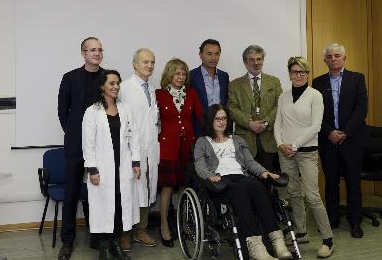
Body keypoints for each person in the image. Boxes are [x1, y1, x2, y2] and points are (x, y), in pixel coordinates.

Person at [194, 104, 292, 260]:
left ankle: (277, 242)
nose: (221, 122)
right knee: (242, 188)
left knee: (256, 185)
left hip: (240, 178)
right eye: (217, 119)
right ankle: (256, 248)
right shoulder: (202, 142)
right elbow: (199, 166)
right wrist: (209, 176)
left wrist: (264, 172)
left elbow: (250, 162)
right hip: (220, 182)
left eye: (224, 118)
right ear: (210, 121)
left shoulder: (237, 140)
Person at [274, 57, 334, 258]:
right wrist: (280, 144)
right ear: (289, 74)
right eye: (294, 72)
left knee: (312, 196)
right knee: (293, 194)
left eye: (302, 72)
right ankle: (300, 232)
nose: (298, 75)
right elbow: (277, 123)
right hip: (286, 153)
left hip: (306, 151)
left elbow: (316, 126)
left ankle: (328, 240)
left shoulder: (315, 95)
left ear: (307, 74)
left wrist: (294, 145)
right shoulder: (284, 96)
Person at [82, 70, 141, 260]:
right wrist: (92, 169)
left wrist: (136, 161)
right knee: (103, 209)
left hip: (122, 167)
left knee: (119, 206)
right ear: (102, 87)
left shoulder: (125, 109)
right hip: (102, 169)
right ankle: (104, 249)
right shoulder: (92, 112)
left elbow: (134, 136)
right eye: (111, 84)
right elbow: (88, 144)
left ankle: (115, 245)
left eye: (118, 83)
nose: (116, 87)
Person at [312, 43, 369, 238]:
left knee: (353, 182)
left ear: (344, 58)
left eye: (337, 56)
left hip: (352, 140)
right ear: (325, 60)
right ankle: (332, 219)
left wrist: (345, 132)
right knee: (331, 182)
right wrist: (329, 132)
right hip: (328, 141)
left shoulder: (357, 79)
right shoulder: (318, 83)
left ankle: (355, 221)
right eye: (330, 56)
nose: (334, 59)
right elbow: (316, 113)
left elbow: (361, 108)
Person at [57, 37, 104, 260]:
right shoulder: (70, 78)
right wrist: (76, 133)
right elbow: (62, 112)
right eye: (92, 50)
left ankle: (97, 235)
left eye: (99, 50)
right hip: (75, 144)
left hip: (100, 145)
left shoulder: (107, 78)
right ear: (83, 53)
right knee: (72, 192)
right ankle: (67, 241)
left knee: (97, 191)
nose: (96, 53)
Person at [156, 58, 203, 247]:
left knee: (184, 187)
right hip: (167, 149)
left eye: (184, 74)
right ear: (169, 74)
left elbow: (202, 117)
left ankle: (183, 223)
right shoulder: (159, 94)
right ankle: (164, 226)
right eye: (177, 73)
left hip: (187, 149)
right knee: (167, 188)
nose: (181, 77)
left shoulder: (191, 94)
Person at [118, 48, 159, 250]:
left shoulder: (151, 88)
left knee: (147, 189)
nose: (150, 65)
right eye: (145, 62)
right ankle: (125, 233)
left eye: (152, 62)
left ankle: (141, 230)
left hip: (150, 149)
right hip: (131, 151)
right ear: (135, 64)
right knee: (131, 192)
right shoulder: (124, 88)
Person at [228, 45, 282, 171]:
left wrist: (266, 122)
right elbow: (232, 108)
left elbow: (279, 105)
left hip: (269, 138)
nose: (256, 63)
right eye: (251, 60)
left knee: (268, 178)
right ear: (245, 62)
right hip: (245, 139)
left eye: (259, 59)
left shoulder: (274, 82)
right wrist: (249, 123)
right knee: (248, 181)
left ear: (263, 60)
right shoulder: (234, 85)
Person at [190, 39, 230, 136]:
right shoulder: (191, 76)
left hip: (221, 129)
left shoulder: (224, 76)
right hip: (199, 129)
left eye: (216, 54)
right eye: (209, 54)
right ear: (200, 54)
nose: (213, 58)